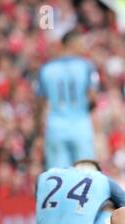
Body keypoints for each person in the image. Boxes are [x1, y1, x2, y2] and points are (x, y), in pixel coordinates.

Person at [36, 30, 99, 169]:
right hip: (80, 124)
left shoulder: (46, 68)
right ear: (73, 43)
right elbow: (93, 96)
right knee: (86, 172)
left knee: (58, 175)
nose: (83, 47)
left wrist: (38, 131)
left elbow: (40, 103)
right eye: (81, 43)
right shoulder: (87, 66)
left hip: (56, 125)